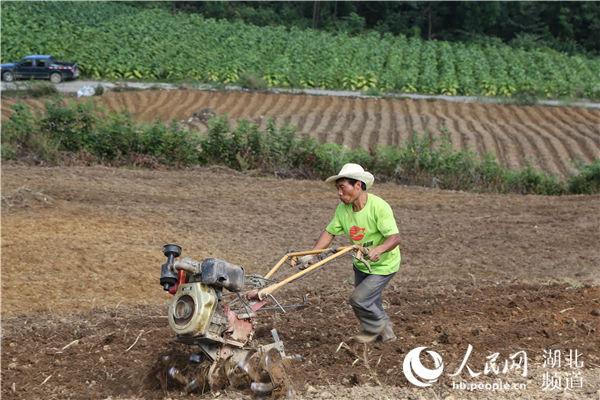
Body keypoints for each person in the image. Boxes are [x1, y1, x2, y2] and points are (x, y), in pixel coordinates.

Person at [301, 163, 401, 343]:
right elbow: (330, 232)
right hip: (361, 264)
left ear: (358, 185)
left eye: (342, 187)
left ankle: (375, 328)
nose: (339, 193)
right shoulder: (343, 209)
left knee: (359, 299)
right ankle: (387, 339)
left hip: (384, 265)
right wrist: (313, 254)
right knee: (371, 302)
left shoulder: (379, 207)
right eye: (338, 189)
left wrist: (378, 249)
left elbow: (394, 238)